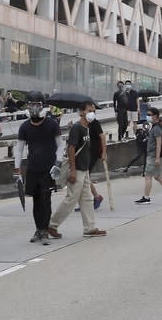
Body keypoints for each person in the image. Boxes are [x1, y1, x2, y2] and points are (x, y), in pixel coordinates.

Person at [49, 101, 107, 238]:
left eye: (93, 111)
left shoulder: (86, 128)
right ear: (81, 112)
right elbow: (71, 148)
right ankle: (52, 225)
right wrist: (73, 170)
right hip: (78, 169)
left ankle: (90, 228)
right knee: (71, 199)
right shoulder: (77, 128)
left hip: (84, 169)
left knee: (87, 199)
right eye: (89, 110)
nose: (92, 113)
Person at [13, 91, 63, 245]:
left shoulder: (52, 124)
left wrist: (58, 164)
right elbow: (19, 149)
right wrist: (17, 171)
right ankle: (38, 229)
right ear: (27, 106)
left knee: (45, 199)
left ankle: (44, 230)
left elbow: (61, 146)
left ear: (42, 106)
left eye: (37, 104)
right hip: (33, 169)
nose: (34, 107)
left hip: (48, 169)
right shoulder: (25, 127)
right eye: (31, 104)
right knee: (36, 200)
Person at [135, 107, 162, 204]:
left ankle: (146, 197)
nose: (147, 116)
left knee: (148, 176)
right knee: (158, 176)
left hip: (153, 156)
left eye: (149, 115)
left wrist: (157, 157)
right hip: (155, 155)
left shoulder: (157, 128)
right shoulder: (155, 127)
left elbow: (158, 144)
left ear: (155, 116)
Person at [87, 115, 107, 210]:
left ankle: (96, 197)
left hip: (93, 153)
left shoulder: (94, 123)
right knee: (84, 177)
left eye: (92, 111)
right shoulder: (83, 123)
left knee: (84, 176)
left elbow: (102, 137)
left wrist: (104, 152)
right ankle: (91, 199)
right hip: (85, 153)